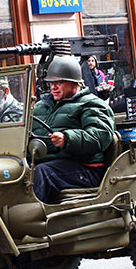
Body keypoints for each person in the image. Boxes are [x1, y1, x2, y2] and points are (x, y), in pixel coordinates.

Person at [31, 56, 115, 203]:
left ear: (74, 83)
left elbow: (100, 137)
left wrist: (67, 138)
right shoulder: (40, 106)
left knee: (42, 173)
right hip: (48, 163)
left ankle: (29, 222)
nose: (53, 87)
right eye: (51, 83)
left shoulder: (92, 104)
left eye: (59, 82)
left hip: (84, 168)